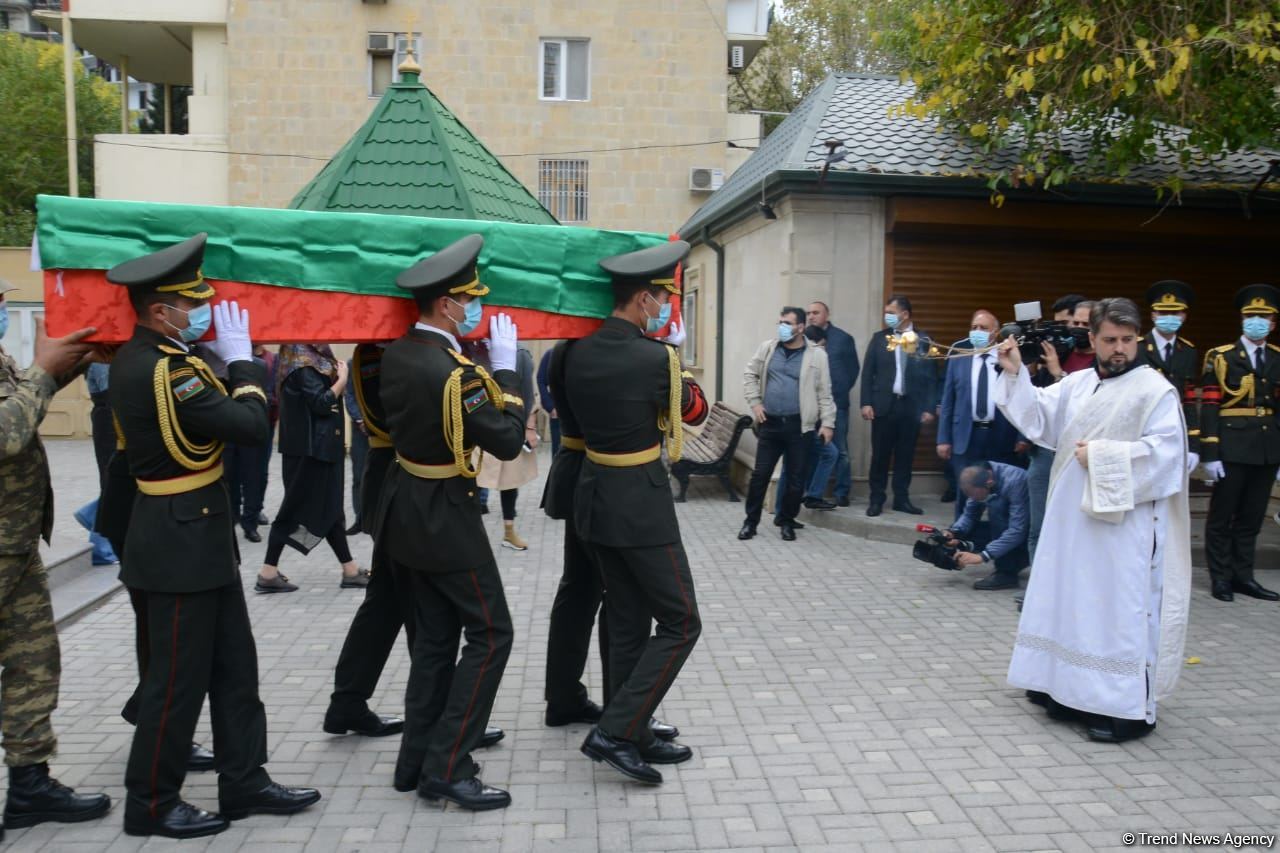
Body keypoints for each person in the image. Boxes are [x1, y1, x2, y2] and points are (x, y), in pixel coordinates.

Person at [107, 234, 320, 837]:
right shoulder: (169, 371)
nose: (201, 311)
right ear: (159, 312)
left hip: (195, 537)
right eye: (190, 303)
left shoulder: (153, 358)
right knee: (174, 685)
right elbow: (250, 425)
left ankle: (244, 780)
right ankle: (149, 803)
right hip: (177, 545)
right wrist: (246, 362)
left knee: (234, 668)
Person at [994, 297, 1192, 743]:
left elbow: (1167, 457)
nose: (1119, 348)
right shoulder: (1079, 383)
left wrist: (1101, 455)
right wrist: (1013, 372)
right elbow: (1040, 418)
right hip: (1073, 522)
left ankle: (1122, 710)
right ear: (1093, 339)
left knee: (1112, 611)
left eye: (1127, 340)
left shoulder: (1154, 391)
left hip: (1124, 528)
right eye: (1110, 340)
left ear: (1137, 338)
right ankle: (1064, 691)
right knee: (1073, 602)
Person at [377, 234, 526, 809]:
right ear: (447, 305)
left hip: (406, 509)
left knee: (436, 642)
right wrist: (508, 375)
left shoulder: (398, 351)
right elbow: (508, 441)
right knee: (492, 634)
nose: (476, 310)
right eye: (471, 300)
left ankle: (415, 760)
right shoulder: (456, 373)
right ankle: (448, 766)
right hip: (446, 516)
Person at [565, 240, 709, 785]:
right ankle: (616, 730)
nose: (666, 309)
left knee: (627, 621)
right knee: (681, 620)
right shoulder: (656, 358)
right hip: (641, 504)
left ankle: (635, 728)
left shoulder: (576, 351)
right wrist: (674, 357)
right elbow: (693, 412)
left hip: (595, 493)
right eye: (663, 300)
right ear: (645, 300)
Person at [323, 341, 506, 746]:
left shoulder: (399, 349)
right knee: (423, 610)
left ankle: (349, 701)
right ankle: (439, 719)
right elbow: (406, 420)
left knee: (386, 601)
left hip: (397, 486)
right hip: (404, 482)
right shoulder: (381, 352)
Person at [0, 283, 112, 839]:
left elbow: (20, 394)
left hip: (15, 543)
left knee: (32, 665)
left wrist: (73, 360)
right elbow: (6, 432)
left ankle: (29, 783)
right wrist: (44, 373)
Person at [540, 337, 612, 730]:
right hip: (604, 480)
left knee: (579, 590)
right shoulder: (601, 351)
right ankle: (623, 717)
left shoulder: (565, 349)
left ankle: (564, 697)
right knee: (617, 596)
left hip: (575, 472)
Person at [258, 344, 368, 592]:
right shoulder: (303, 364)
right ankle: (267, 572)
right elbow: (321, 403)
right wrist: (342, 380)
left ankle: (349, 569)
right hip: (311, 452)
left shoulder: (305, 358)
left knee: (330, 510)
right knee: (294, 510)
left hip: (318, 448)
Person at [1199, 283, 1280, 603]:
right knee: (1222, 516)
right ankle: (1220, 578)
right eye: (1251, 315)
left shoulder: (1276, 357)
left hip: (1267, 448)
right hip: (1231, 445)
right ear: (1242, 320)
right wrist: (1210, 451)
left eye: (1264, 316)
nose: (1257, 321)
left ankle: (1244, 577)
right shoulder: (1220, 357)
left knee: (1252, 516)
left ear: (1274, 323)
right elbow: (1210, 405)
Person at [740, 308, 836, 541]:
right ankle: (750, 522)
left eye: (787, 323)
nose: (781, 326)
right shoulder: (768, 348)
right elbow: (749, 374)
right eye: (780, 322)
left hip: (799, 426)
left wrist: (828, 423)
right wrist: (755, 403)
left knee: (795, 478)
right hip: (770, 423)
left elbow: (825, 393)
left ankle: (786, 520)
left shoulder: (817, 356)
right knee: (760, 475)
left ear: (801, 327)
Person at [937, 310, 1026, 519]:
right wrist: (943, 439)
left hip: (1000, 434)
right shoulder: (958, 359)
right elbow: (948, 401)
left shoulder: (1008, 360)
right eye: (974, 327)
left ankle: (995, 540)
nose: (977, 332)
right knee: (964, 491)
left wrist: (1023, 436)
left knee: (999, 493)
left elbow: (1022, 397)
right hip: (966, 436)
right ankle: (961, 537)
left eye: (983, 328)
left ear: (995, 333)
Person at [1025, 295, 1093, 561]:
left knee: (1071, 529)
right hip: (1045, 452)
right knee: (1038, 526)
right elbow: (1035, 400)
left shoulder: (1101, 363)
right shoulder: (1060, 351)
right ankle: (1035, 593)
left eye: (1085, 323)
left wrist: (1058, 373)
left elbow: (1087, 406)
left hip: (1078, 453)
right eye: (1074, 322)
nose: (1078, 328)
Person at [860, 295, 937, 517]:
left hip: (911, 407)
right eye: (887, 312)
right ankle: (876, 499)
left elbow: (932, 376)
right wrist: (866, 402)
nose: (888, 316)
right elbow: (868, 373)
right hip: (884, 406)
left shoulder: (922, 339)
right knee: (880, 456)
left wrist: (929, 408)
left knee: (905, 455)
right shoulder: (879, 338)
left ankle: (901, 499)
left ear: (905, 314)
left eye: (891, 312)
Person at [474, 344, 540, 551]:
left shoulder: (519, 355)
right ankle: (473, 535)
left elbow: (527, 394)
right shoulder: (466, 348)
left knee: (510, 481)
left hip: (509, 422)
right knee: (471, 481)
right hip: (477, 424)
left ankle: (509, 532)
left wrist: (528, 426)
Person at [774, 324, 840, 522]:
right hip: (803, 425)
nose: (824, 351)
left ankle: (782, 512)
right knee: (828, 454)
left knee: (790, 468)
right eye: (822, 346)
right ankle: (810, 497)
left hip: (802, 424)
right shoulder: (812, 360)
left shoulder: (806, 360)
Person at [1138, 280, 1201, 467]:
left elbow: (1189, 400)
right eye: (1163, 312)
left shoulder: (1188, 351)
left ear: (1183, 316)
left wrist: (1194, 445)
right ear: (1153, 314)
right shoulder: (1137, 348)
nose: (1169, 317)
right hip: (1143, 429)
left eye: (1174, 313)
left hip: (1175, 431)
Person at [805, 301, 860, 505]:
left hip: (837, 405)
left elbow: (853, 369)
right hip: (810, 407)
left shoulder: (843, 339)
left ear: (826, 315)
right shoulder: (803, 338)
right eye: (809, 313)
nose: (811, 316)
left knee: (840, 449)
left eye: (816, 312)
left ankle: (841, 491)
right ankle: (809, 491)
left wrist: (840, 389)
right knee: (810, 450)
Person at [945, 462, 1030, 590]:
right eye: (970, 496)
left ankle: (1007, 572)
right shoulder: (979, 479)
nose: (973, 498)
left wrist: (983, 556)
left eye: (975, 495)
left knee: (997, 509)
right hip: (1006, 526)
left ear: (989, 483)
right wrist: (954, 532)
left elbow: (1018, 529)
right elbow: (969, 514)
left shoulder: (1015, 481)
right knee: (968, 530)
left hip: (1027, 530)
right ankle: (966, 550)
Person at [222, 343, 276, 543]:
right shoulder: (219, 365)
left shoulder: (259, 365)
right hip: (227, 430)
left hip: (252, 429)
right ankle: (232, 517)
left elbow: (269, 395)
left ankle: (250, 523)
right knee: (230, 477)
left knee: (253, 478)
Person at [72, 362, 118, 565]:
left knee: (116, 482)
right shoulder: (103, 357)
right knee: (113, 482)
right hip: (111, 419)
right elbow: (112, 393)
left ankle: (92, 514)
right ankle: (102, 546)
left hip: (111, 415)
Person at [342, 356, 368, 535]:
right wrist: (359, 419)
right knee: (359, 475)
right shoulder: (353, 363)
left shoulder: (388, 360)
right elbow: (349, 394)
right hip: (361, 430)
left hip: (385, 428)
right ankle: (360, 519)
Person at [537, 346, 562, 457]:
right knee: (558, 452)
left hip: (580, 414)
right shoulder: (552, 353)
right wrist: (550, 406)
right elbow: (541, 379)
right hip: (559, 413)